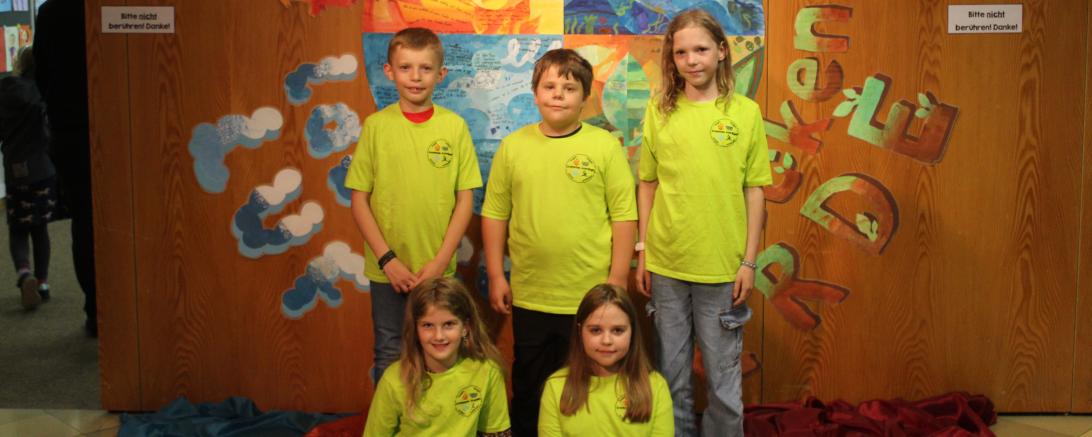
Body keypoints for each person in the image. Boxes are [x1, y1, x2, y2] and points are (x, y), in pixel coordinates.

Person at [482, 48, 637, 437]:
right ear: (535, 93)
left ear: (585, 98)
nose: (558, 94)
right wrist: (498, 276)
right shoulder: (513, 147)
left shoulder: (603, 146)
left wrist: (617, 277)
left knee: (586, 385)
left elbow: (623, 215)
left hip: (589, 295)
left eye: (569, 88)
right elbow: (495, 213)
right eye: (549, 86)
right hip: (532, 293)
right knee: (531, 384)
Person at [634, 9, 773, 437]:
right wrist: (644, 252)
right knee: (672, 382)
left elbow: (755, 190)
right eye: (681, 52)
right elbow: (648, 185)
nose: (691, 60)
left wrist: (748, 262)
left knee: (723, 385)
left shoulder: (745, 113)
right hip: (668, 266)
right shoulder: (659, 110)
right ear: (671, 60)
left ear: (721, 51)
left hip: (721, 270)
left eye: (700, 49)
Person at [345, 27, 481, 384]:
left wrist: (439, 263)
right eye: (406, 68)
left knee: (442, 353)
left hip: (438, 271)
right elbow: (359, 199)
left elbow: (465, 200)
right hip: (387, 271)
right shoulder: (376, 127)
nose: (415, 77)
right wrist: (387, 260)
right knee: (390, 352)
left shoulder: (454, 128)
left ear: (441, 74)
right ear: (389, 71)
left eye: (425, 68)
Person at [363, 277, 511, 436]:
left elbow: (496, 433)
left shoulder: (487, 371)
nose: (438, 336)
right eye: (428, 325)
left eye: (448, 324)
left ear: (466, 328)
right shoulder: (394, 379)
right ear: (416, 329)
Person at [538, 284, 673, 436]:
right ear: (579, 331)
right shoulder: (556, 387)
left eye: (617, 330)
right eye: (596, 330)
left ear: (632, 332)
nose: (607, 340)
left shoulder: (655, 386)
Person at [34, 0, 94, 335]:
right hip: (118, 127)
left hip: (68, 130)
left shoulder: (50, 10)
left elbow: (41, 75)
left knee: (84, 221)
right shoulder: (117, 8)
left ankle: (96, 310)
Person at [1, 46, 56, 310]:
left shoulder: (6, 93)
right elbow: (49, 134)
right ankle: (43, 282)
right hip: (42, 169)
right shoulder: (42, 94)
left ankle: (25, 273)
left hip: (15, 170)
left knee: (18, 227)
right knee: (40, 228)